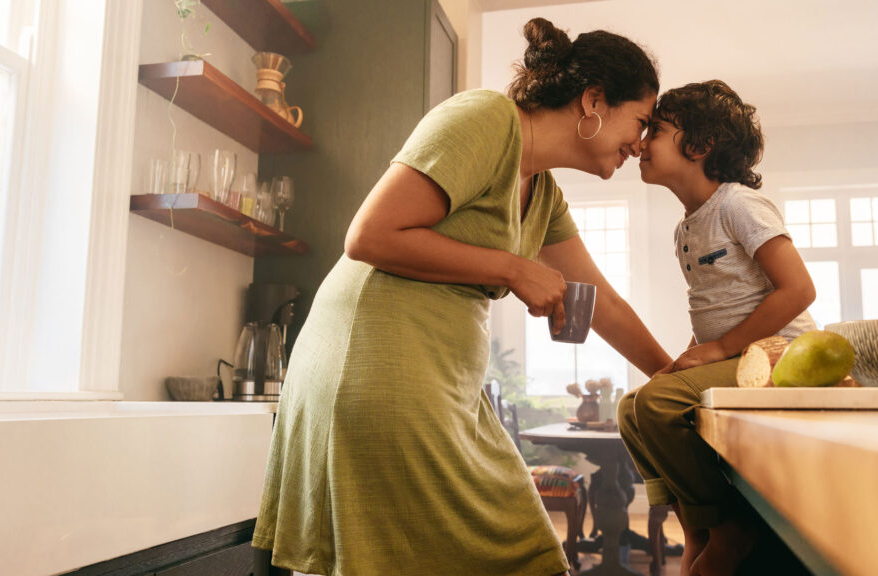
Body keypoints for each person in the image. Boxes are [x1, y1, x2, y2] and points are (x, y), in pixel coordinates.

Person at [252, 17, 673, 576]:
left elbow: (604, 303)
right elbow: (368, 236)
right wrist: (514, 269)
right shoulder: (484, 119)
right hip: (375, 365)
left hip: (444, 384)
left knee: (522, 550)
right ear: (593, 99)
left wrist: (672, 376)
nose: (640, 144)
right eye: (640, 121)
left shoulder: (543, 191)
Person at [617, 80, 818, 576]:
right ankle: (696, 529)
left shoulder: (738, 204)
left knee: (658, 403)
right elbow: (712, 307)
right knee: (631, 406)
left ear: (700, 146)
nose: (641, 143)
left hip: (778, 355)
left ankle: (731, 527)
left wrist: (723, 346)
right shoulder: (686, 228)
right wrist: (685, 358)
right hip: (730, 355)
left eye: (656, 132)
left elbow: (798, 290)